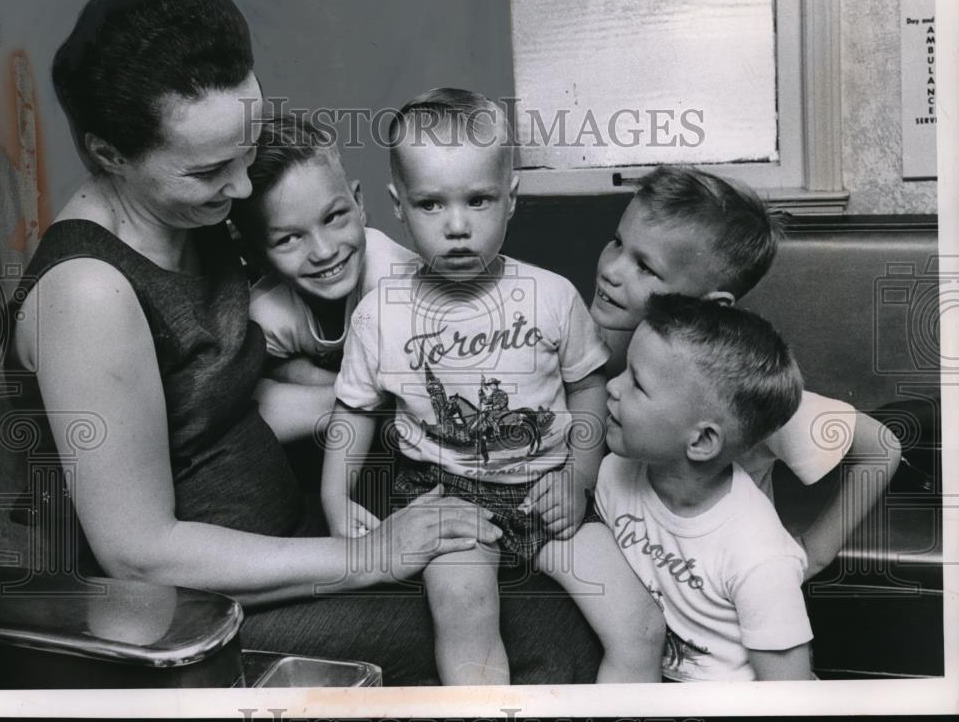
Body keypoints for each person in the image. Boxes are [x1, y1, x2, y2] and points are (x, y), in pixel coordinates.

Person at [0, 0, 601, 686]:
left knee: (556, 578)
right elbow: (140, 554)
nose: (245, 190)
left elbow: (217, 409)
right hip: (197, 612)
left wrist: (410, 400)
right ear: (109, 154)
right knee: (540, 627)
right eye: (210, 170)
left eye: (246, 150)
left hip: (293, 538)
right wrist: (378, 555)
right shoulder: (88, 295)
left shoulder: (195, 214)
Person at [322, 88, 609, 684]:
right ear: (398, 207)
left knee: (635, 618)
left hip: (546, 486)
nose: (457, 227)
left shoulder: (551, 295)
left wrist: (578, 478)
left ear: (511, 198)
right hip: (444, 496)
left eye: (478, 200)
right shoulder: (381, 313)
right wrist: (335, 495)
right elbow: (354, 412)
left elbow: (588, 388)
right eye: (431, 205)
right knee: (464, 612)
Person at [589, 165, 901, 579]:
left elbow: (881, 447)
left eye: (645, 267)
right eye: (616, 242)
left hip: (719, 598)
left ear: (712, 304)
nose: (612, 269)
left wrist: (814, 553)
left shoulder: (730, 387)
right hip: (629, 578)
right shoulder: (590, 342)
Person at [544, 294, 814, 681]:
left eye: (637, 383)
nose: (613, 387)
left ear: (702, 441)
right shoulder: (614, 471)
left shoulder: (760, 556)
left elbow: (789, 692)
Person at [228, 113, 415, 442]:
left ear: (358, 203)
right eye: (289, 239)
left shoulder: (395, 282)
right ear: (256, 254)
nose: (325, 250)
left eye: (333, 217)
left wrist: (308, 377)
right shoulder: (266, 310)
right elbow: (256, 389)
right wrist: (320, 380)